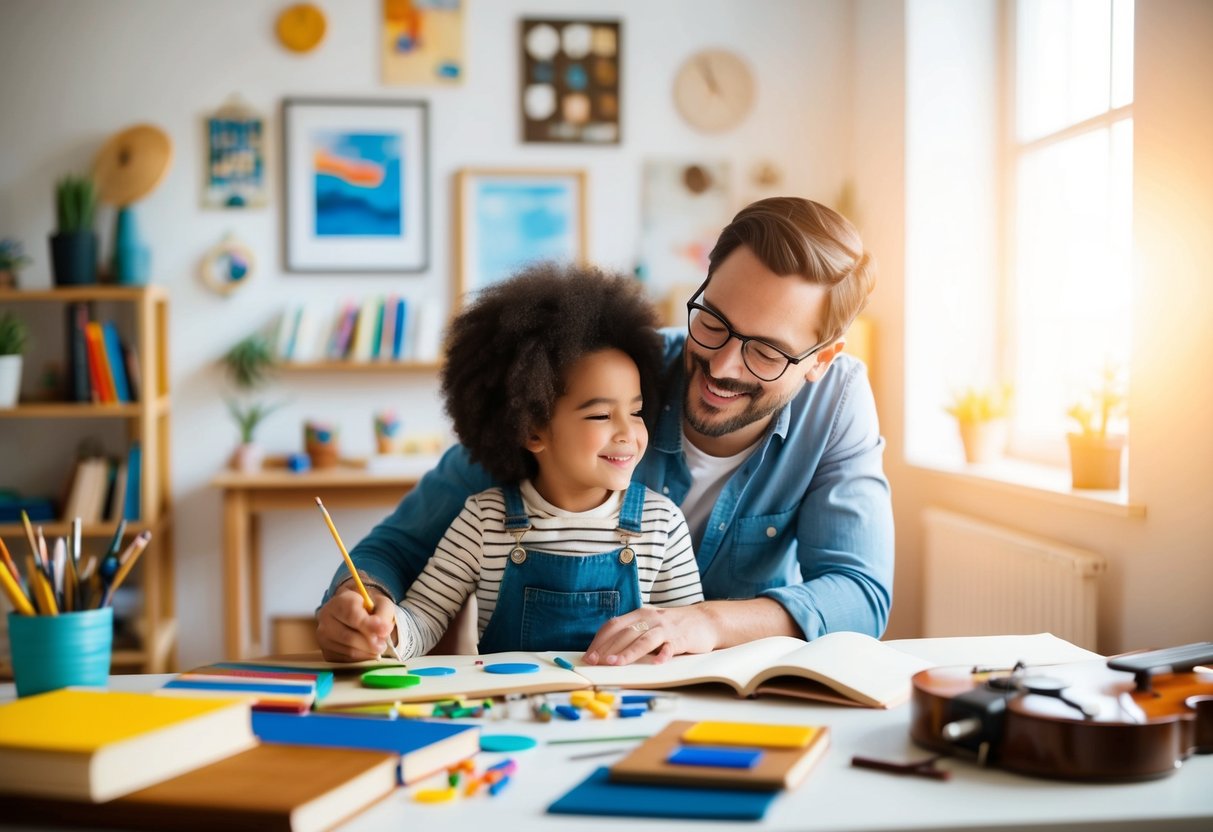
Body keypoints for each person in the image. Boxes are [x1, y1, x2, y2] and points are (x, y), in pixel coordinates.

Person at [317, 196, 892, 666]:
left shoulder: (837, 402)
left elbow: (859, 595)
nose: (722, 366)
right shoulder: (600, 374)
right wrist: (358, 605)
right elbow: (400, 545)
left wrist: (705, 623)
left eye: (767, 352)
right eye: (713, 322)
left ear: (821, 359)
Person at [319, 265, 703, 661]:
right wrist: (386, 630)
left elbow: (685, 643)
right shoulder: (483, 520)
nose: (628, 433)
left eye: (637, 412)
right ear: (532, 430)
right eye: (601, 416)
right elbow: (424, 620)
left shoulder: (662, 524)